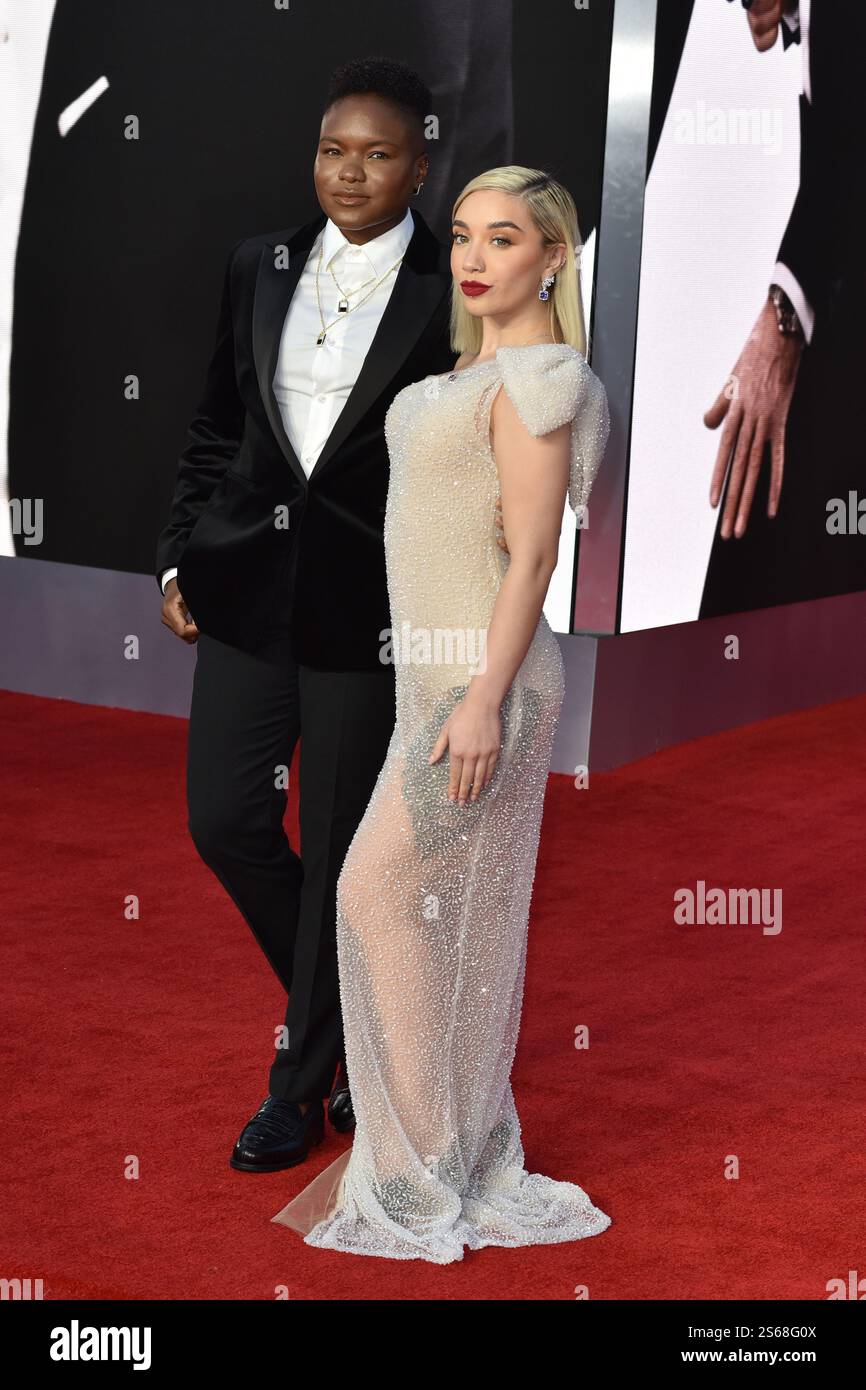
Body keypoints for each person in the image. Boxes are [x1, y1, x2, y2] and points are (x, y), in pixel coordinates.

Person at [155, 59, 503, 1172]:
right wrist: (178, 553)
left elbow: (474, 461)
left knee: (342, 853)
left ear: (420, 165)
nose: (348, 172)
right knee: (228, 824)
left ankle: (295, 1093)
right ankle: (357, 1022)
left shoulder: (450, 289)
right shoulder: (255, 265)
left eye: (377, 153)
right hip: (248, 593)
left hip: (374, 613)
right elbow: (216, 423)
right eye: (331, 150)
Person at [272, 166, 612, 1262]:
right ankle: (432, 1150)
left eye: (501, 238)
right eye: (462, 234)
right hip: (435, 682)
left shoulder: (538, 381)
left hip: (485, 686)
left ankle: (419, 1162)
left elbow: (530, 563)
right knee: (420, 916)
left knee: (373, 891)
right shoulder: (457, 376)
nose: (472, 256)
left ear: (550, 257)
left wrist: (477, 701)